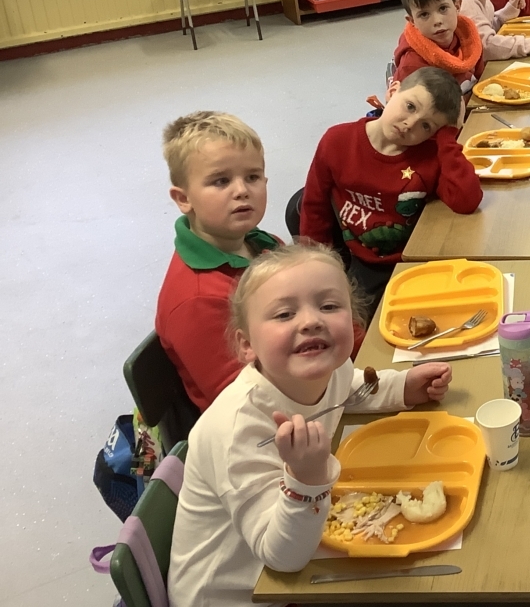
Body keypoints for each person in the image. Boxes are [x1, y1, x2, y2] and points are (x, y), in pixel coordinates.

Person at [168, 243, 455, 606]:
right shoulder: (239, 430)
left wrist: (402, 388)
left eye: (329, 306)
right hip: (240, 593)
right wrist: (307, 479)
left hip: (301, 562)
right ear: (246, 346)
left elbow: (348, 391)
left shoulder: (329, 368)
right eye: (284, 314)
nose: (311, 321)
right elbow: (282, 557)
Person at [298, 67, 483, 310]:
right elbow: (314, 209)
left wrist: (448, 139)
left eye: (426, 126)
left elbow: (466, 200)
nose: (410, 124)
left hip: (415, 261)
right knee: (358, 328)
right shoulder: (337, 141)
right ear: (393, 90)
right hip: (366, 263)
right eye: (410, 106)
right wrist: (315, 268)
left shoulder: (430, 157)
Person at [156, 111, 282, 412]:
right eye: (220, 181)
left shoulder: (264, 244)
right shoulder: (196, 299)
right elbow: (246, 402)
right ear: (183, 199)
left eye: (252, 177)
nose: (242, 191)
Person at [391, 0, 484, 98]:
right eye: (424, 14)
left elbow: (482, 80)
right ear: (412, 21)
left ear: (457, 6)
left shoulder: (471, 40)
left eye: (443, 8)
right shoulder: (411, 66)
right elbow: (407, 113)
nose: (437, 21)